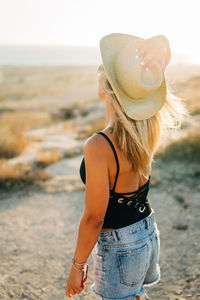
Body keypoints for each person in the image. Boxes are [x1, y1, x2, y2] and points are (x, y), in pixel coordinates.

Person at [65, 33, 189, 300]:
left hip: (122, 246)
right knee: (135, 294)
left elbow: (94, 218)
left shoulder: (99, 146)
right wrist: (163, 44)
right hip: (146, 231)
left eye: (105, 70)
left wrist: (77, 266)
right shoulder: (145, 128)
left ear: (110, 86)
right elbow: (150, 79)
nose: (100, 71)